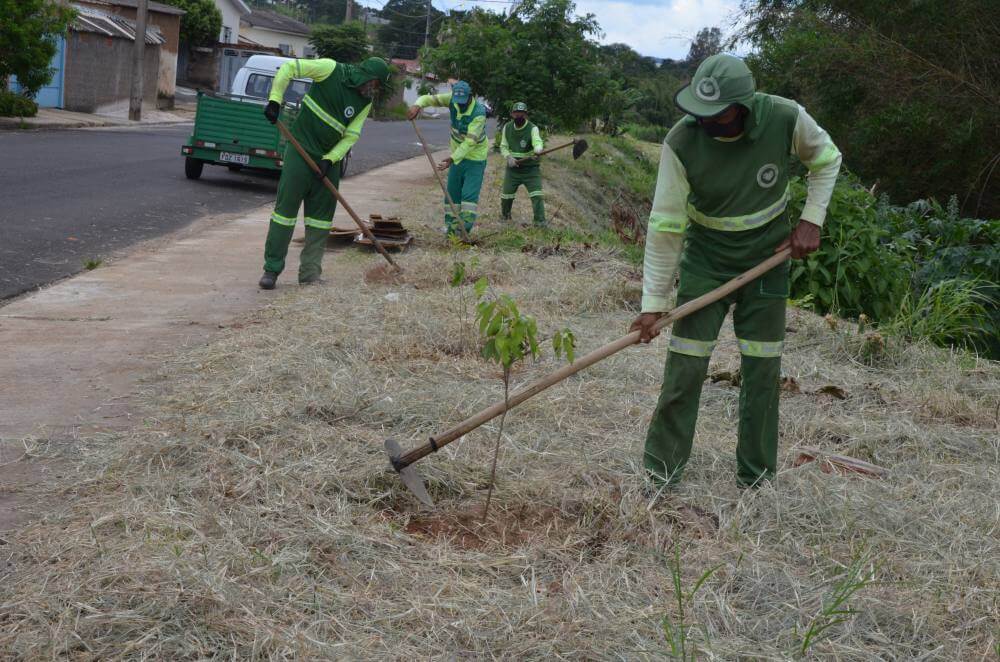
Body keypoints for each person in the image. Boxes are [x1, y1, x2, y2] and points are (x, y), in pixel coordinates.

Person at [632, 54, 842, 488]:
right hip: (706, 263)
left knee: (763, 370)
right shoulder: (681, 142)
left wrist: (811, 220)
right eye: (697, 112)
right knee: (685, 368)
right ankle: (661, 475)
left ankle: (756, 477)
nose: (704, 121)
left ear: (743, 107)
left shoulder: (786, 117)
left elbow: (827, 160)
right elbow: (667, 224)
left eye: (716, 114)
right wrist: (653, 304)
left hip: (767, 261)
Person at [258, 57, 390, 290]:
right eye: (376, 84)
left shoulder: (365, 102)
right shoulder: (330, 69)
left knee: (320, 220)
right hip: (300, 150)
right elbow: (289, 68)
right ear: (368, 75)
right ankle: (271, 269)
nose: (375, 90)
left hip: (328, 161)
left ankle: (309, 274)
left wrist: (331, 159)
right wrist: (275, 100)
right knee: (284, 214)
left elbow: (351, 135)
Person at [407, 81, 488, 236]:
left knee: (468, 197)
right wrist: (417, 105)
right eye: (458, 103)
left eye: (463, 103)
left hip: (475, 157)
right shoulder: (451, 99)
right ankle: (451, 230)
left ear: (470, 96)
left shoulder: (479, 113)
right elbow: (428, 99)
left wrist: (452, 158)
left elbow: (470, 142)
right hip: (456, 155)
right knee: (452, 194)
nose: (460, 105)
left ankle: (463, 231)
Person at [499, 102, 546, 227]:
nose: (519, 116)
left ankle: (540, 223)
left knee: (537, 195)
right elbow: (503, 146)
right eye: (516, 113)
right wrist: (509, 157)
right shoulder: (507, 128)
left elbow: (537, 142)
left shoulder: (532, 128)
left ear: (526, 115)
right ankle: (505, 217)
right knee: (506, 196)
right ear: (512, 114)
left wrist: (538, 150)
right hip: (513, 169)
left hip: (531, 169)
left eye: (521, 113)